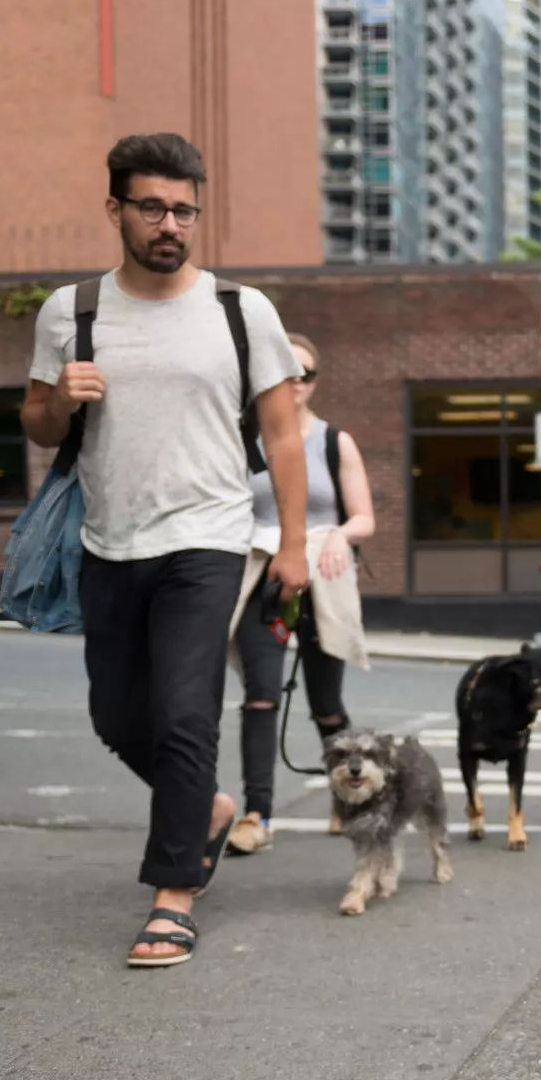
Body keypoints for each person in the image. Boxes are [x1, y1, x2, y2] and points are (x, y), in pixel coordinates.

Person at [20, 133, 306, 968]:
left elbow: (284, 434)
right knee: (117, 717)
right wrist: (60, 401)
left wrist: (290, 543)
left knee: (186, 713)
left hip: (208, 538)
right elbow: (36, 424)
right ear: (116, 209)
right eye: (152, 207)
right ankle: (209, 811)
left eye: (184, 209)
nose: (170, 223)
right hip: (109, 541)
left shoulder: (239, 310)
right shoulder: (71, 312)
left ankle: (173, 895)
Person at [224, 333, 376, 856]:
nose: (296, 382)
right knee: (261, 696)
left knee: (327, 705)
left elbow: (364, 517)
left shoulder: (336, 442)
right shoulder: (240, 438)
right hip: (261, 576)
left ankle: (350, 795)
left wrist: (339, 533)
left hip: (324, 579)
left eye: (307, 374)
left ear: (316, 382)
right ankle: (257, 814)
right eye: (287, 371)